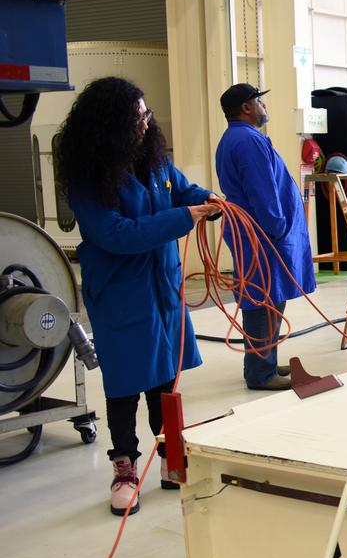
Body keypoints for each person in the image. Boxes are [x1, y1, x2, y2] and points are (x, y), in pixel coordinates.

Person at [58, 77, 219, 515]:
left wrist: (204, 197)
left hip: (163, 288)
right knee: (126, 382)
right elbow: (116, 235)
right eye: (136, 118)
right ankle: (125, 466)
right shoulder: (88, 180)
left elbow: (180, 189)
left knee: (165, 378)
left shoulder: (154, 160)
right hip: (121, 295)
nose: (145, 125)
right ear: (109, 125)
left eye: (146, 116)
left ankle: (170, 455)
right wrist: (183, 218)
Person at [215, 84, 316, 391]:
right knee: (261, 299)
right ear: (246, 107)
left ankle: (266, 360)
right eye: (259, 101)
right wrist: (278, 228)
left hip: (259, 234)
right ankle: (260, 373)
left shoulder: (240, 137)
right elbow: (262, 190)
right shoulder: (246, 140)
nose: (264, 106)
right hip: (262, 235)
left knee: (271, 297)